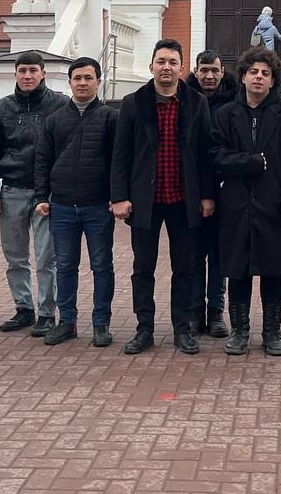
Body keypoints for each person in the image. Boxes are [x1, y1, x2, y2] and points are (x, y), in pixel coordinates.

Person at [110, 38, 217, 355]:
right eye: (161, 61)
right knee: (143, 268)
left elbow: (206, 154)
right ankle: (144, 329)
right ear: (151, 66)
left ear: (182, 68)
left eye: (173, 62)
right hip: (145, 200)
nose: (167, 67)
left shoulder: (197, 103)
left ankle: (182, 329)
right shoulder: (133, 103)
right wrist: (119, 196)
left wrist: (208, 195)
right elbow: (121, 154)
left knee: (185, 268)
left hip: (184, 200)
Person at [212, 47, 281, 356]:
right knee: (237, 270)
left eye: (265, 73)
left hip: (274, 202)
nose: (258, 77)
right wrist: (248, 162)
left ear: (272, 80)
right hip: (236, 204)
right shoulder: (225, 114)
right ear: (242, 76)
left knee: (273, 270)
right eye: (253, 71)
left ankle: (272, 332)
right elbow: (215, 154)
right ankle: (240, 331)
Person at [33, 56, 118, 349]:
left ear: (98, 81)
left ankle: (101, 323)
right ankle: (66, 321)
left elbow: (118, 163)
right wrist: (41, 197)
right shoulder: (55, 120)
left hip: (98, 206)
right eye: (77, 78)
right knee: (65, 266)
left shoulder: (110, 118)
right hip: (63, 207)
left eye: (88, 78)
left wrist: (116, 198)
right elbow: (42, 161)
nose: (83, 83)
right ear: (69, 82)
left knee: (102, 266)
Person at [0, 50, 68, 337]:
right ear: (16, 74)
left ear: (43, 73)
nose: (28, 76)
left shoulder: (60, 105)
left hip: (46, 193)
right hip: (12, 190)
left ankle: (47, 312)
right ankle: (23, 308)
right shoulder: (2, 108)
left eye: (33, 70)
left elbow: (65, 149)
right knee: (15, 256)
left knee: (47, 257)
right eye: (23, 71)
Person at [188, 49, 238, 337]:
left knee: (219, 255)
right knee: (194, 254)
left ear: (222, 72)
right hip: (191, 189)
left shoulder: (234, 102)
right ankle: (195, 311)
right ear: (196, 71)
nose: (209, 76)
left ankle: (217, 312)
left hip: (224, 190)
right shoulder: (184, 100)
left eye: (214, 70)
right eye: (203, 70)